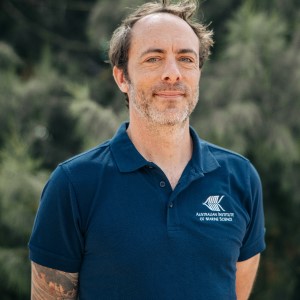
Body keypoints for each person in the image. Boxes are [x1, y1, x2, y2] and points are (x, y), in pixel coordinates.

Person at [29, 0, 266, 299]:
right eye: (153, 59)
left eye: (186, 59)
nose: (173, 73)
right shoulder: (74, 184)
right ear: (122, 78)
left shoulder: (241, 178)